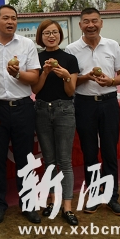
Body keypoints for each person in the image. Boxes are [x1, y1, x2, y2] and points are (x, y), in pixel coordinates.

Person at [0, 5, 41, 224]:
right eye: (5, 18)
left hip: (23, 107)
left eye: (14, 18)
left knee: (26, 158)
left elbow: (34, 78)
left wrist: (18, 74)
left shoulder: (26, 44)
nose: (10, 22)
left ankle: (28, 204)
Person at [65, 8, 120, 216]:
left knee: (110, 151)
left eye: (94, 21)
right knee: (89, 152)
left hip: (109, 102)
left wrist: (112, 81)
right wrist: (86, 77)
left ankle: (112, 197)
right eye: (86, 21)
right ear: (80, 25)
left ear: (101, 23)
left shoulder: (112, 45)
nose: (90, 25)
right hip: (84, 104)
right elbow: (70, 81)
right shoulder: (71, 49)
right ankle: (93, 195)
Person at [31, 19, 80, 226]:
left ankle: (67, 207)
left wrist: (66, 76)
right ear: (40, 37)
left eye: (55, 32)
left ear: (60, 35)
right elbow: (35, 90)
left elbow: (70, 91)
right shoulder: (36, 58)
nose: (51, 36)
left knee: (65, 161)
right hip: (42, 110)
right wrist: (45, 72)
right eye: (46, 33)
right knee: (49, 161)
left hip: (64, 110)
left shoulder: (70, 59)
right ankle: (52, 201)